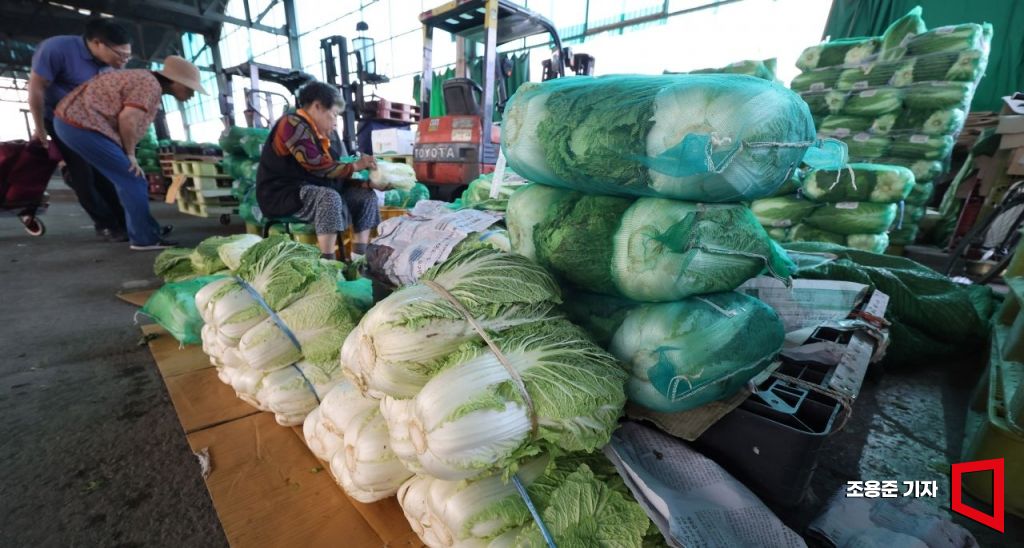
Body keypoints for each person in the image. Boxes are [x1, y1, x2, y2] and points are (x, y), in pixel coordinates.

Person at [53, 56, 207, 250]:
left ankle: (146, 230)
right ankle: (144, 238)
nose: (192, 95)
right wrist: (131, 155)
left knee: (123, 179)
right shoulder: (150, 84)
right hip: (82, 126)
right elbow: (128, 119)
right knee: (133, 179)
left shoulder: (144, 79)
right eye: (190, 88)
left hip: (75, 124)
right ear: (175, 81)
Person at [28, 18, 131, 241]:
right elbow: (36, 87)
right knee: (83, 174)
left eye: (127, 56)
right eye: (120, 55)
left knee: (104, 173)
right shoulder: (56, 49)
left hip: (91, 122)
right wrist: (39, 128)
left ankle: (127, 223)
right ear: (98, 43)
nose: (123, 61)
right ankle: (106, 225)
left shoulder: (109, 66)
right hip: (60, 120)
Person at [255, 81, 379, 260]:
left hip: (310, 192)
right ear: (318, 106)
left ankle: (358, 261)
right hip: (281, 194)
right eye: (334, 114)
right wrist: (356, 165)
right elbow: (318, 167)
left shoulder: (320, 140)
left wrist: (367, 184)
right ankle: (328, 264)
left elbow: (333, 177)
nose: (335, 123)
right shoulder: (291, 124)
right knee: (328, 198)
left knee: (366, 197)